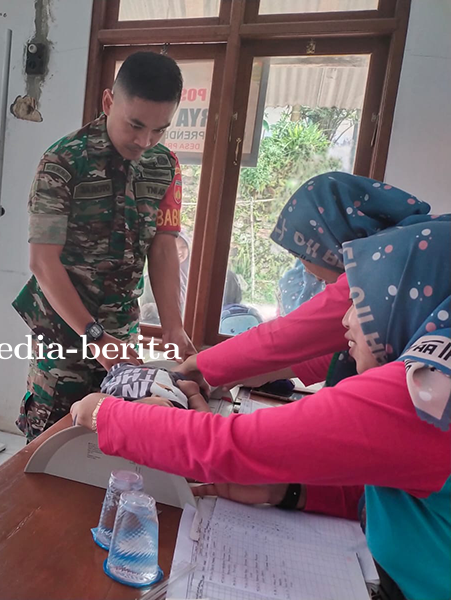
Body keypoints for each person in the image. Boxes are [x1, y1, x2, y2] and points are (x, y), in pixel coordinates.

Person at [72, 220, 451, 600]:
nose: (344, 320)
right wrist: (287, 492)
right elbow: (386, 496)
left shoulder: (425, 389)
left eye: (359, 302)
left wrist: (104, 413)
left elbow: (236, 445)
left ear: (404, 304)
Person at [12, 51, 197, 441]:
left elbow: (163, 247)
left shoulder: (165, 165)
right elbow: (43, 262)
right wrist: (95, 336)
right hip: (64, 335)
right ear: (109, 101)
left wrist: (173, 326)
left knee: (113, 440)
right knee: (52, 444)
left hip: (122, 333)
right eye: (135, 125)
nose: (145, 141)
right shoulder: (63, 162)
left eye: (159, 130)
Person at [175, 171, 439, 389]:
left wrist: (198, 364)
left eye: (301, 253)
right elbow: (342, 348)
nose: (306, 268)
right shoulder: (408, 248)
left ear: (329, 243)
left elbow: (288, 334)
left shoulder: (384, 266)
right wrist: (259, 373)